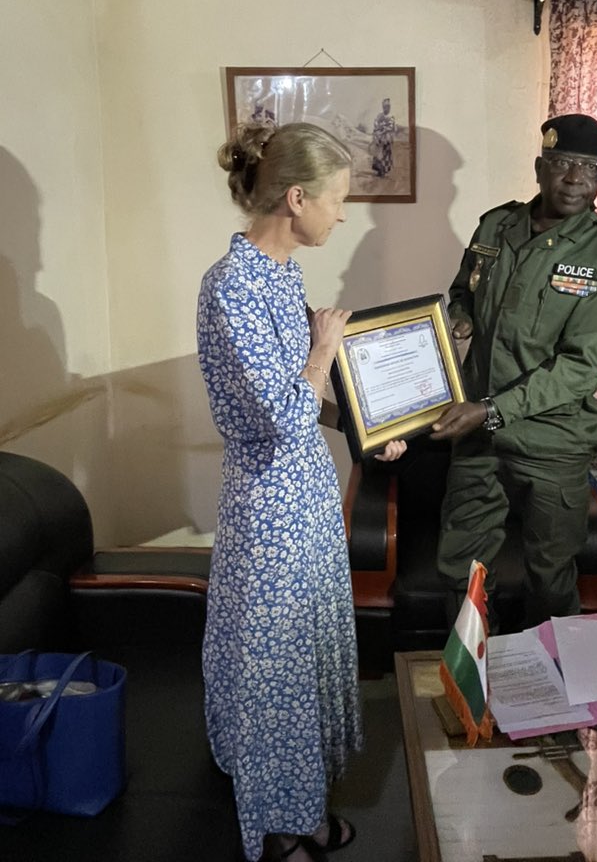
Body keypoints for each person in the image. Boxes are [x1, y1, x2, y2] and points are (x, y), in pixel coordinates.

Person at [196, 121, 405, 862]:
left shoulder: (281, 274)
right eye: (338, 200)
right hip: (270, 504)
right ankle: (285, 828)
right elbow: (281, 416)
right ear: (295, 198)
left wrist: (369, 426)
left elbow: (303, 399)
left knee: (300, 653)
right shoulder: (232, 288)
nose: (342, 215)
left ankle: (297, 799)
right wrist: (324, 348)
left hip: (307, 492)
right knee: (277, 667)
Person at [431, 113, 597, 629]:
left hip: (551, 442)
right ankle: (472, 688)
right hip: (478, 438)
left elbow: (579, 368)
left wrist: (492, 410)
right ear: (541, 166)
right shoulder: (495, 226)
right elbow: (463, 293)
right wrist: (458, 319)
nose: (575, 179)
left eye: (590, 169)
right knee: (462, 569)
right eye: (564, 164)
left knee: (549, 574)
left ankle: (552, 695)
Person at [370, 97, 395, 177]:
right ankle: (379, 170)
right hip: (379, 137)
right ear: (383, 107)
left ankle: (384, 170)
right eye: (385, 107)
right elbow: (376, 124)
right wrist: (378, 130)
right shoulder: (380, 115)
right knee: (378, 154)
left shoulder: (391, 116)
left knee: (386, 154)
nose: (387, 108)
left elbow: (391, 127)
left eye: (388, 107)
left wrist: (384, 128)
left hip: (387, 138)